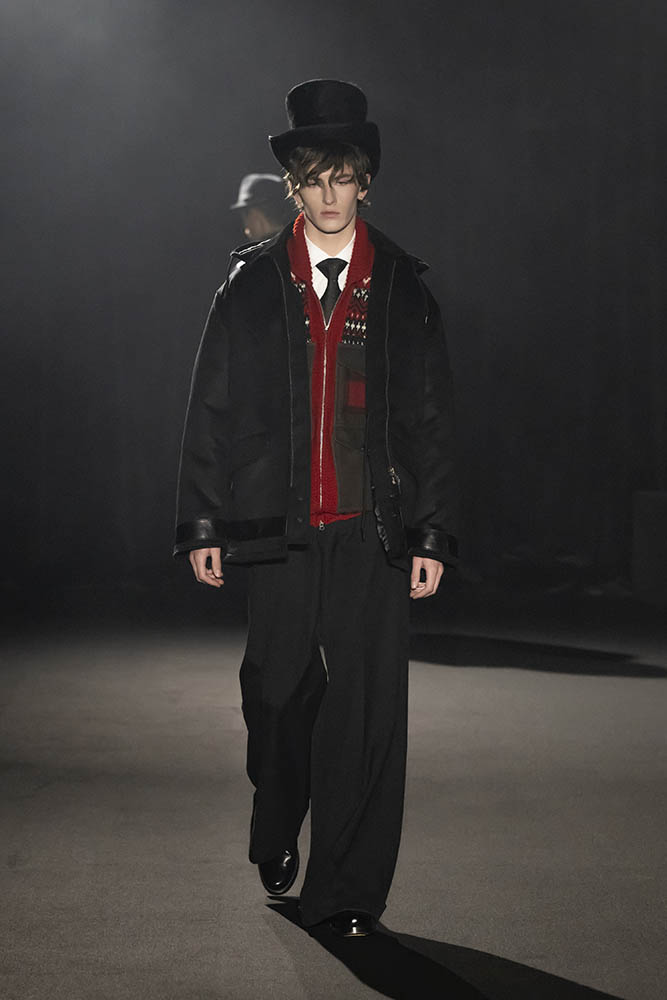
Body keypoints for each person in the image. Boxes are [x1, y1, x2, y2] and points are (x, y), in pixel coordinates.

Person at [173, 78, 459, 937]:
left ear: (365, 181)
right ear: (292, 186)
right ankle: (277, 810)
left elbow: (431, 418)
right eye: (312, 180)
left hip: (373, 527)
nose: (328, 196)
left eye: (342, 178)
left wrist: (431, 532)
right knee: (275, 695)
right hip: (279, 528)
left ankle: (347, 895)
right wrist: (203, 519)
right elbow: (210, 404)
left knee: (366, 716)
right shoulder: (251, 285)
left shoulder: (402, 285)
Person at [229, 172, 294, 240]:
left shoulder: (263, 247)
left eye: (246, 215)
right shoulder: (297, 238)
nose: (246, 229)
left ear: (256, 213)